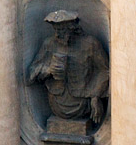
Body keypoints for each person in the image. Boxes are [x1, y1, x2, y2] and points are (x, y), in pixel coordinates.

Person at [26, 10, 109, 142]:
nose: (59, 34)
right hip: (56, 103)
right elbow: (30, 75)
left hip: (83, 103)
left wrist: (95, 95)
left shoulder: (90, 44)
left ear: (73, 28)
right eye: (56, 30)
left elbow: (104, 71)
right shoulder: (49, 44)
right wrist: (48, 69)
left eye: (63, 30)